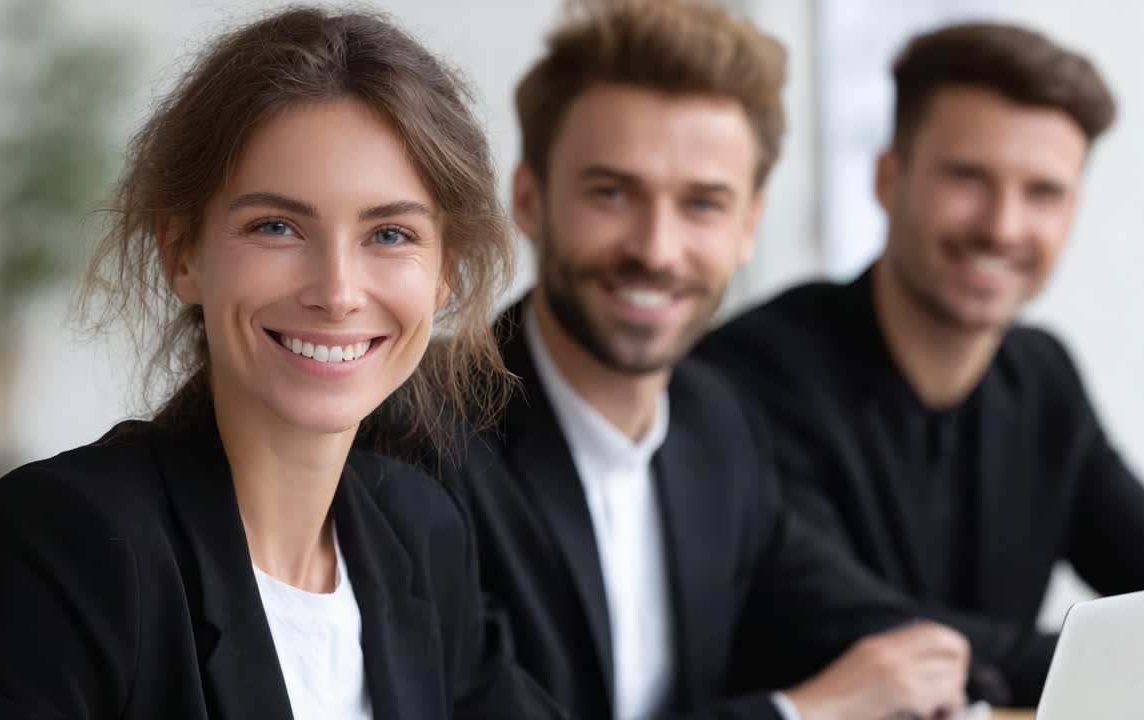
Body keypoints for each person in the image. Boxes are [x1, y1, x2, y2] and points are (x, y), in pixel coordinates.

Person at [0, 7, 562, 719]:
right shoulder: (65, 545)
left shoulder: (420, 530)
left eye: (389, 233)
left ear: (444, 272)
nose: (337, 293)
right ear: (182, 253)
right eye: (277, 227)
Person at [365, 2, 973, 718]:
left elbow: (865, 621)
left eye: (703, 204)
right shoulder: (415, 431)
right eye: (612, 192)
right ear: (529, 200)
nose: (656, 249)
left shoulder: (717, 421)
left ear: (749, 225)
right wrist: (807, 712)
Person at [696, 21, 1144, 706]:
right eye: (968, 178)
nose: (1003, 226)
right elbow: (874, 637)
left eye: (1043, 193)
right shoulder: (745, 377)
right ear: (888, 178)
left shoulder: (1042, 376)